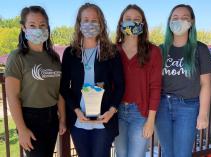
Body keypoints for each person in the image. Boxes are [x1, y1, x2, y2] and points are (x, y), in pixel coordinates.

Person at [60, 3, 124, 157]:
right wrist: (76, 110)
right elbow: (63, 87)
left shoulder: (111, 51)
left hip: (103, 120)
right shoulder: (70, 52)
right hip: (79, 120)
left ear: (101, 24)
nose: (90, 24)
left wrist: (111, 111)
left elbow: (120, 85)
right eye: (86, 20)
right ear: (79, 24)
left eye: (94, 20)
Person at [5, 6, 66, 157]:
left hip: (52, 117)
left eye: (42, 25)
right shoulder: (17, 57)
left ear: (48, 28)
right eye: (32, 25)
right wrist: (22, 129)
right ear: (23, 28)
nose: (38, 29)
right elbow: (12, 97)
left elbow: (59, 92)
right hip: (30, 119)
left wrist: (63, 119)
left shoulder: (54, 57)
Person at [155, 4, 211, 157]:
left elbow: (205, 84)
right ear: (169, 21)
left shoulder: (200, 49)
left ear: (191, 22)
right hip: (161, 106)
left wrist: (203, 114)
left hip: (187, 108)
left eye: (184, 18)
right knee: (168, 153)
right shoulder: (161, 49)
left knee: (182, 153)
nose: (179, 21)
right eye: (175, 18)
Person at [114, 4, 162, 157]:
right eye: (128, 19)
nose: (132, 22)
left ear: (142, 24)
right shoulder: (113, 50)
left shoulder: (153, 51)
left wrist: (150, 120)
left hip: (140, 113)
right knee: (121, 154)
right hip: (116, 111)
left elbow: (156, 87)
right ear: (121, 23)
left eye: (136, 19)